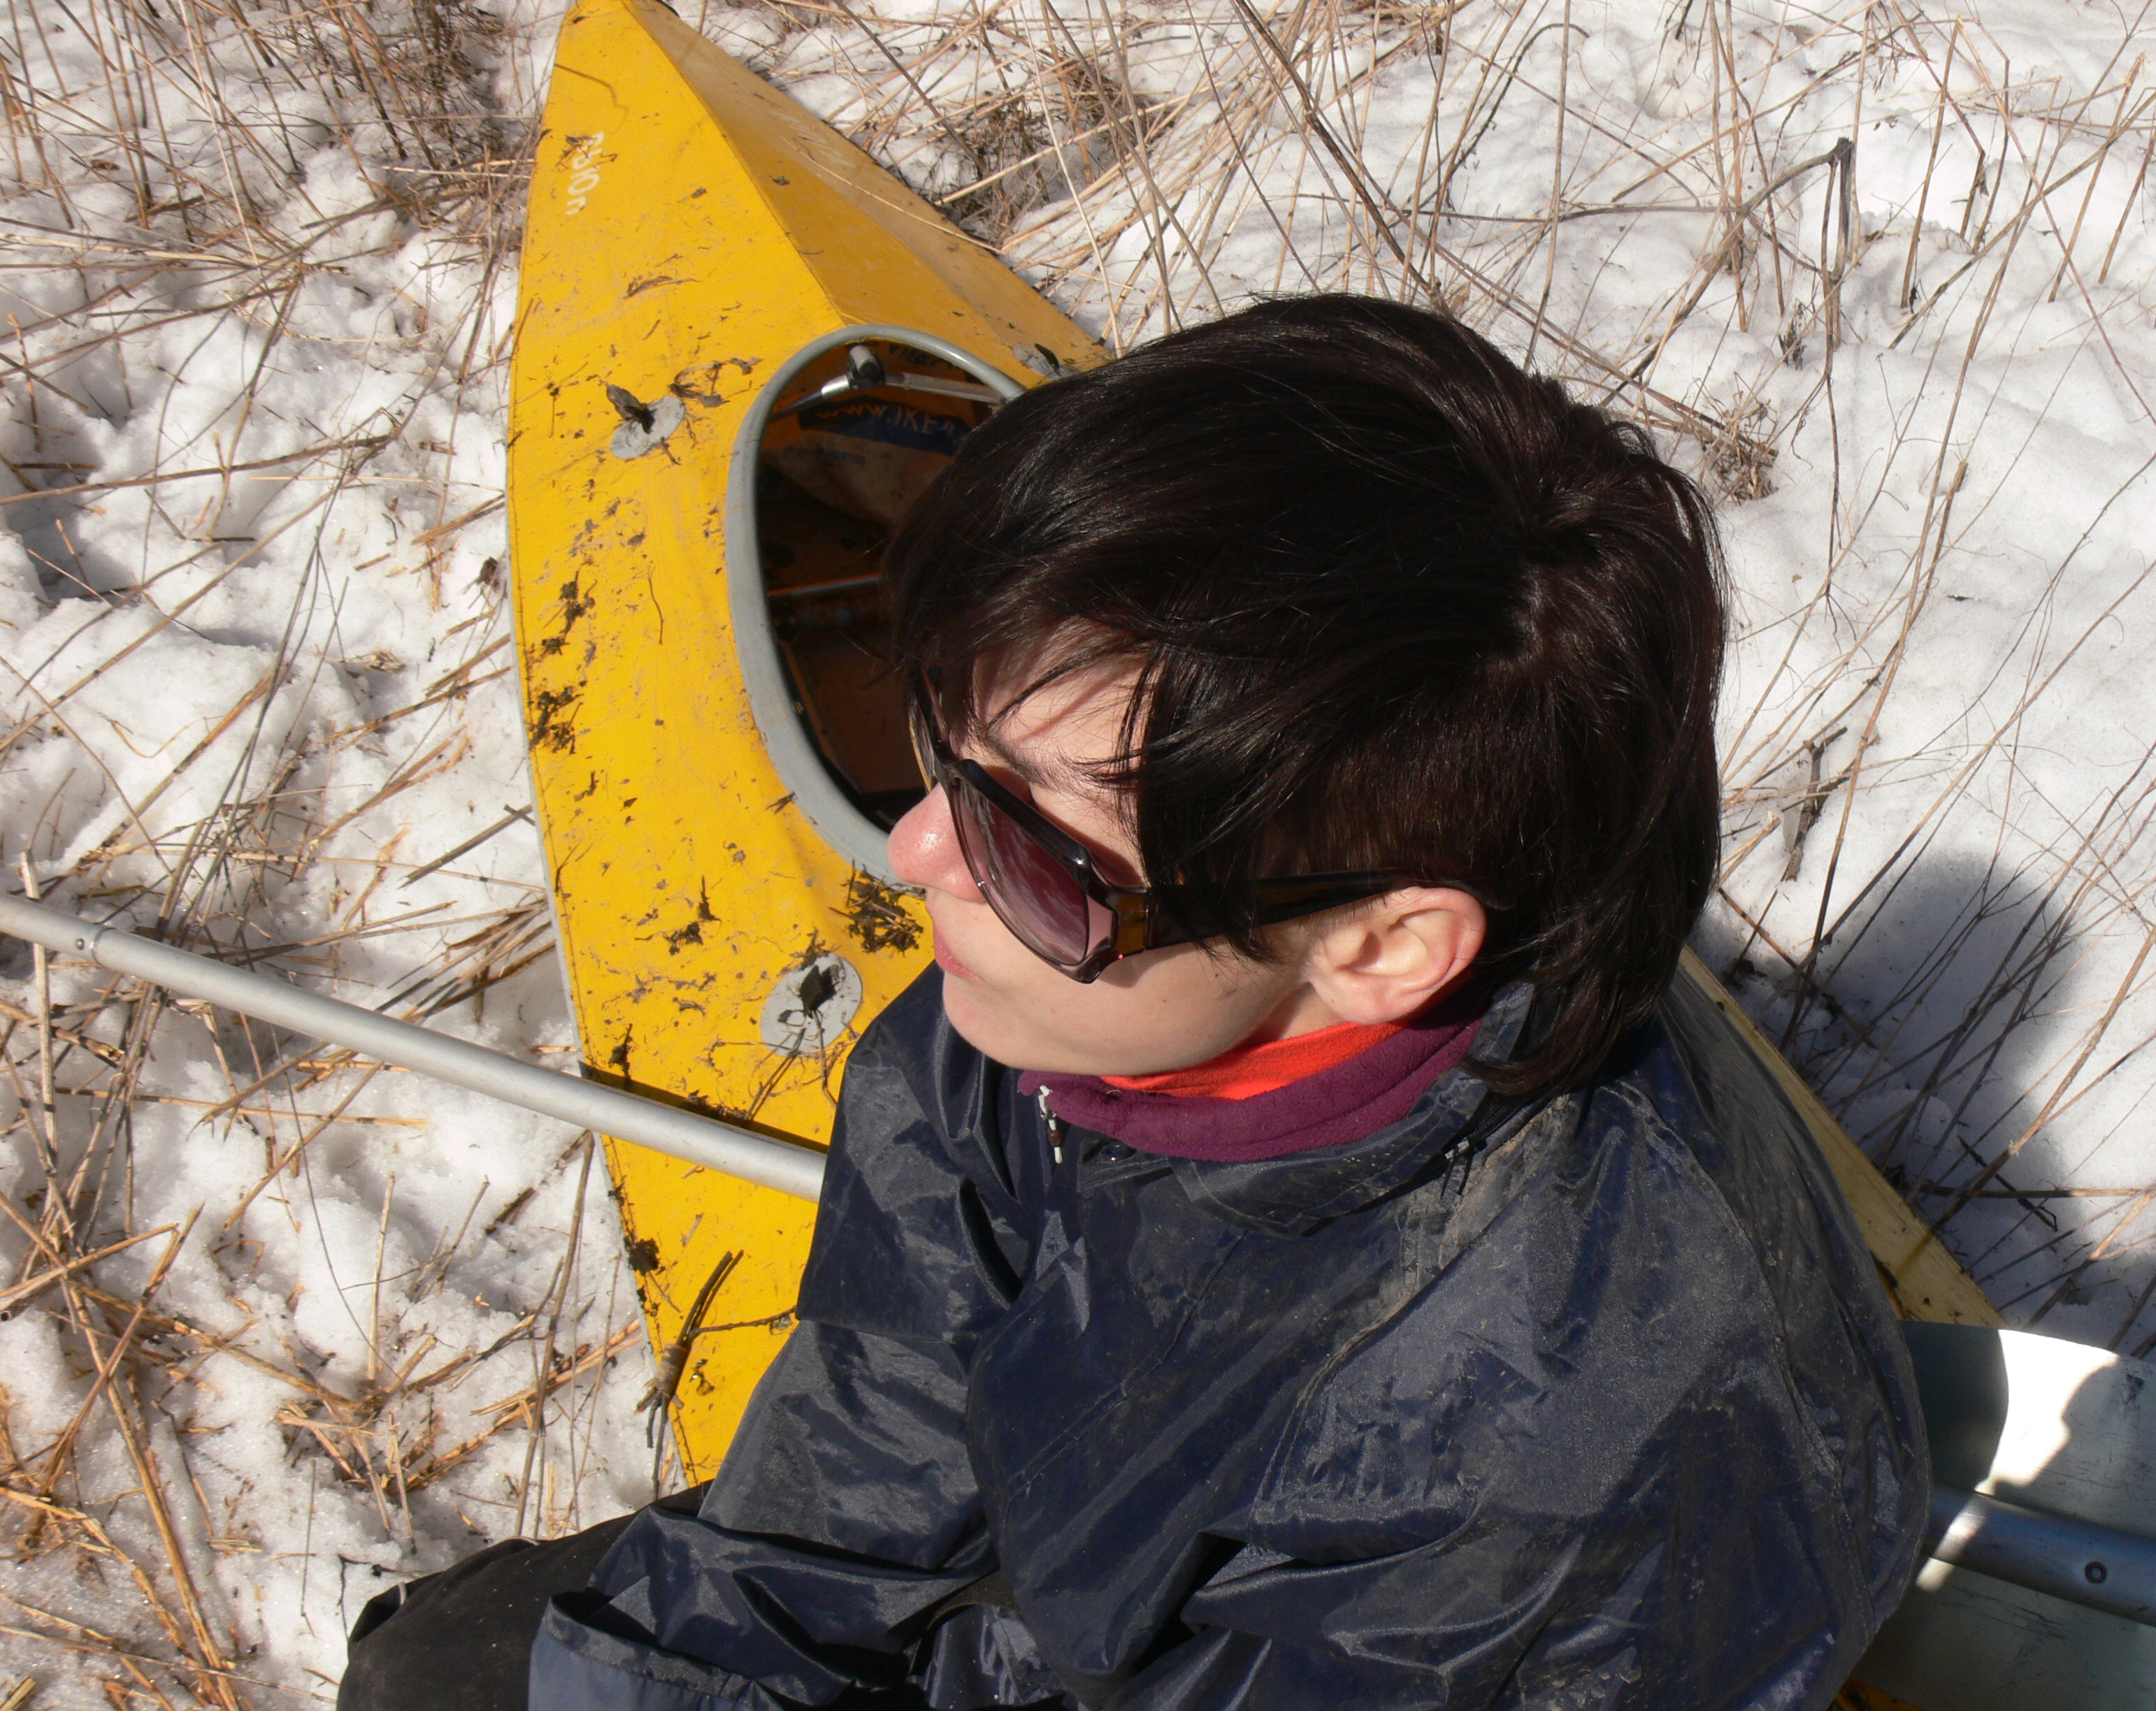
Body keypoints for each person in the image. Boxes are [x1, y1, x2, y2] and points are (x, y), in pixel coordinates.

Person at [340, 294, 1925, 1710]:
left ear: (1382, 948)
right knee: (438, 1660)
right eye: (938, 740)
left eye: (1032, 847)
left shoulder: (1525, 1459)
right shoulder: (1068, 1001)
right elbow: (894, 1373)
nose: (916, 854)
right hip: (1077, 1589)